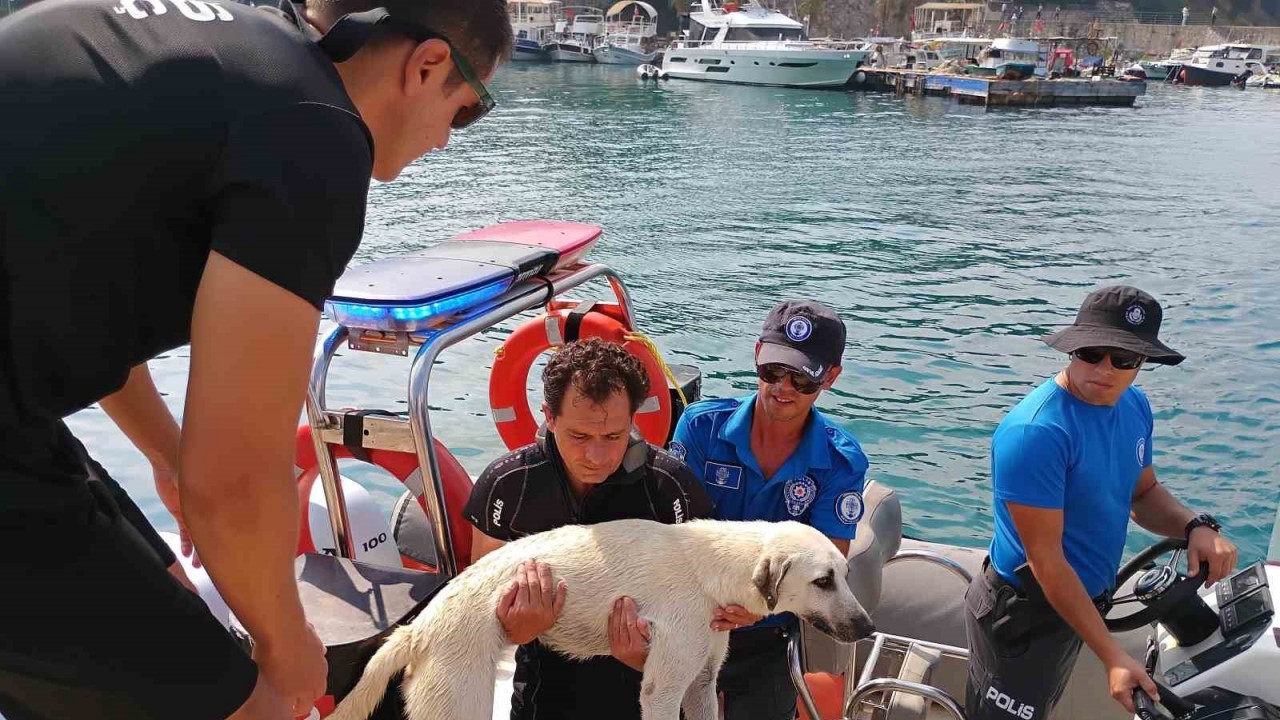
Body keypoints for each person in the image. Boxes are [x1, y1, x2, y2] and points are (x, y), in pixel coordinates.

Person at [0, 0, 511, 718]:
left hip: (19, 411)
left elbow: (83, 283)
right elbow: (234, 479)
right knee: (258, 706)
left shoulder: (235, 57)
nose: (447, 143)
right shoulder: (319, 136)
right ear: (426, 66)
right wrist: (286, 639)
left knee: (172, 597)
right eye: (465, 110)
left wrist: (165, 452)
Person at [964, 286, 1240, 720]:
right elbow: (1046, 562)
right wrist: (1113, 655)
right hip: (1024, 616)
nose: (1104, 369)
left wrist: (1195, 525)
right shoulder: (1035, 434)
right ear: (1072, 351)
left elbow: (1143, 494)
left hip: (1083, 606)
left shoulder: (1134, 406)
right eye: (1091, 353)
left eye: (1124, 359)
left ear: (1142, 362)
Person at [463, 338, 719, 720]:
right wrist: (517, 628)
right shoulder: (508, 486)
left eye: (613, 437)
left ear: (633, 420)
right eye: (579, 437)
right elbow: (476, 612)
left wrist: (653, 659)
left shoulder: (672, 491)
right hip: (541, 698)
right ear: (549, 417)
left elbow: (709, 620)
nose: (595, 456)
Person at [670, 300, 869, 720]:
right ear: (759, 354)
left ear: (830, 377)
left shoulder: (839, 461)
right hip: (688, 614)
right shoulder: (700, 428)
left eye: (802, 379)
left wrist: (755, 608)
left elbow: (828, 558)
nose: (783, 387)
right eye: (774, 371)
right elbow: (675, 531)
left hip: (768, 625)